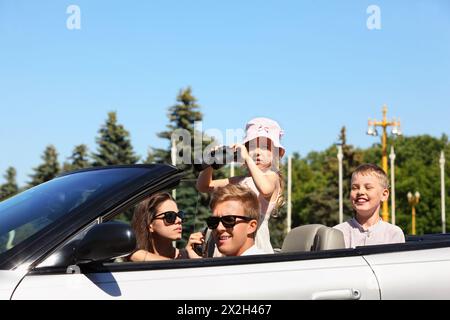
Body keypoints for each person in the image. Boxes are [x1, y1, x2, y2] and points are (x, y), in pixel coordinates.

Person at [197, 117, 285, 254]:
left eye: (265, 147)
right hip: (231, 235)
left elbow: (265, 190)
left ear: (278, 154)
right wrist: (210, 163)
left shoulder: (272, 177)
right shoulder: (240, 180)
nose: (257, 152)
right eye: (251, 147)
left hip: (254, 241)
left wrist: (248, 158)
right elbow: (204, 186)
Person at [333, 163, 405, 248]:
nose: (360, 192)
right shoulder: (337, 233)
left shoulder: (393, 234)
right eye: (355, 188)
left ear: (384, 195)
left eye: (368, 187)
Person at [129, 192, 203, 261]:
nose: (179, 220)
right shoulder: (131, 255)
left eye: (180, 215)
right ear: (150, 224)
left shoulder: (189, 256)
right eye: (170, 216)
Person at [207, 184, 265, 256]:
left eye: (228, 220)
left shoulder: (263, 265)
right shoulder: (222, 265)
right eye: (213, 221)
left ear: (251, 226)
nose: (219, 228)